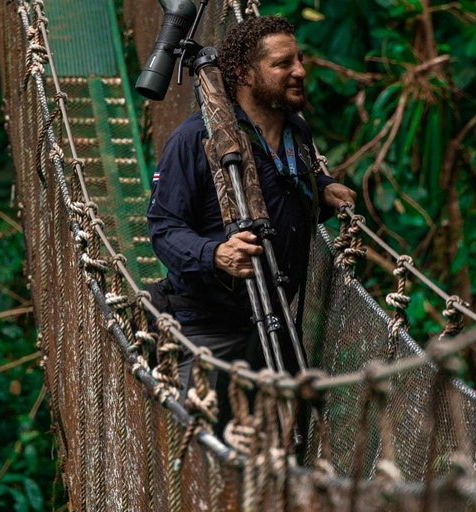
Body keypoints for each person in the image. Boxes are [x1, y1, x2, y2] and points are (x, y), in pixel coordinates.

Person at [146, 15, 356, 422]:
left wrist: (322, 188)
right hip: (207, 332)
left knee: (283, 446)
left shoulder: (297, 132)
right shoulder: (195, 139)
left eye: (299, 59)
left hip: (274, 326)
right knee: (204, 443)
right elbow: (164, 229)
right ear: (244, 73)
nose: (300, 71)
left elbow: (281, 185)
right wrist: (215, 254)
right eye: (282, 63)